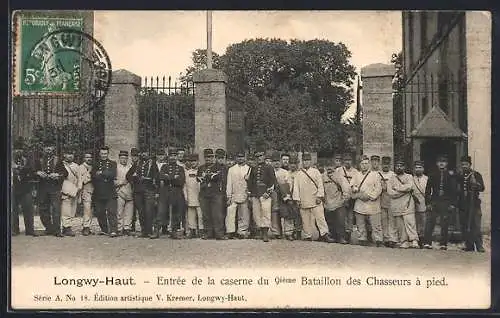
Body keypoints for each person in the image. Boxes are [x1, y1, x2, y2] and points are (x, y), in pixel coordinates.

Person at [293, 152, 335, 243]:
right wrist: (297, 199)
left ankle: (324, 234)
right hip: (303, 198)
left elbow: (320, 185)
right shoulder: (298, 173)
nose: (306, 162)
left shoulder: (315, 172)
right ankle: (308, 235)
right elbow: (296, 187)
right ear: (302, 162)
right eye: (304, 161)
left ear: (310, 161)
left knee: (320, 217)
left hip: (315, 198)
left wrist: (319, 196)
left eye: (308, 161)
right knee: (305, 218)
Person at [423, 154, 457, 250]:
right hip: (434, 201)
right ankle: (427, 242)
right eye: (439, 162)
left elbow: (454, 191)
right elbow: (428, 190)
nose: (441, 163)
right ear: (437, 163)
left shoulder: (451, 175)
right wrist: (428, 203)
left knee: (444, 222)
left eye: (444, 162)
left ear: (446, 163)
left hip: (446, 202)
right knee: (430, 222)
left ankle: (443, 244)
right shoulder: (432, 174)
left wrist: (452, 204)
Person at [34, 141, 68, 237]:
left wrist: (57, 175)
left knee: (56, 209)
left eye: (50, 146)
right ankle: (49, 228)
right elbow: (32, 172)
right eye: (46, 147)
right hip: (42, 187)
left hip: (55, 188)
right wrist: (38, 172)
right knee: (43, 209)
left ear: (53, 148)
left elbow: (65, 173)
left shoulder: (58, 160)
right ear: (43, 149)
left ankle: (57, 231)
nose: (48, 149)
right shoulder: (39, 160)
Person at [153, 149, 186, 239]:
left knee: (176, 212)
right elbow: (161, 177)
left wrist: (168, 177)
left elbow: (181, 181)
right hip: (165, 191)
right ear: (169, 156)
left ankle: (174, 231)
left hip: (176, 192)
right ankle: (156, 231)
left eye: (174, 156)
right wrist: (173, 177)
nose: (173, 157)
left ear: (177, 157)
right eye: (171, 156)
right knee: (161, 211)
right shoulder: (164, 167)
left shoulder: (180, 168)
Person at [126, 148, 159, 238]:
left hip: (149, 190)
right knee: (140, 211)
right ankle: (143, 231)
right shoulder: (137, 164)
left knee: (149, 211)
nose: (144, 154)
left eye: (146, 153)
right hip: (138, 191)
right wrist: (134, 179)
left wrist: (156, 190)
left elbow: (157, 178)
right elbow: (128, 176)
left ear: (149, 153)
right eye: (143, 153)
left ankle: (149, 231)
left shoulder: (153, 164)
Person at [351, 155, 383, 247]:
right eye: (362, 164)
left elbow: (378, 188)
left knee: (376, 224)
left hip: (372, 202)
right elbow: (353, 185)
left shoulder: (375, 175)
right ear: (359, 165)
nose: (364, 165)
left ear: (369, 164)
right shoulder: (356, 174)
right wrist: (356, 190)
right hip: (360, 202)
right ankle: (362, 239)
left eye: (366, 163)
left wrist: (370, 196)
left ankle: (378, 240)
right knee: (360, 223)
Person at [387, 159, 419, 249]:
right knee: (400, 225)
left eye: (401, 166)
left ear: (404, 167)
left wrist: (397, 188)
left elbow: (410, 187)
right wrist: (403, 191)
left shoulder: (409, 177)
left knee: (410, 222)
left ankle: (414, 241)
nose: (399, 167)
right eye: (397, 166)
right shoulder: (391, 178)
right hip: (396, 205)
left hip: (408, 203)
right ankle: (404, 241)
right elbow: (390, 192)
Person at [457, 155, 485, 252]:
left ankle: (479, 246)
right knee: (465, 225)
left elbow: (482, 188)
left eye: (466, 164)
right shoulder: (459, 176)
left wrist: (476, 184)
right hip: (463, 204)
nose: (464, 166)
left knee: (475, 226)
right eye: (462, 164)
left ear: (470, 165)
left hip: (474, 204)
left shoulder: (476, 175)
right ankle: (469, 245)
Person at [247, 150, 276, 242]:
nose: (259, 158)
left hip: (265, 194)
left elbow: (273, 181)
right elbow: (251, 182)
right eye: (257, 157)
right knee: (256, 213)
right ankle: (260, 230)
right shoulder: (253, 168)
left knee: (266, 212)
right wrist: (250, 193)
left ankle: (265, 233)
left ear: (264, 157)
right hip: (255, 194)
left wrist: (269, 192)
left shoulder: (269, 167)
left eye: (261, 156)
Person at [197, 149, 226, 240]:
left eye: (210, 157)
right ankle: (208, 233)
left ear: (213, 157)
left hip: (216, 193)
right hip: (204, 193)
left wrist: (208, 176)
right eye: (206, 157)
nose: (208, 159)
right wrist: (210, 176)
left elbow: (219, 177)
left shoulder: (219, 167)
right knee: (206, 214)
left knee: (217, 214)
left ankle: (219, 233)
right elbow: (199, 178)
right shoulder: (201, 168)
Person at [12, 139, 37, 236]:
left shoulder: (27, 159)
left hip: (26, 187)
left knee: (28, 209)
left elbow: (32, 171)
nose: (18, 151)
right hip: (13, 187)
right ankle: (14, 230)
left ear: (24, 150)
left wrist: (21, 169)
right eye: (16, 149)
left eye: (21, 149)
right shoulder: (9, 159)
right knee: (13, 210)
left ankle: (30, 230)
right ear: (13, 150)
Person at [92, 146, 118, 237]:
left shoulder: (112, 163)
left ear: (108, 154)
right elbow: (93, 176)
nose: (103, 155)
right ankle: (104, 229)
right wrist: (105, 174)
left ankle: (114, 230)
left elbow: (113, 174)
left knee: (112, 211)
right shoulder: (96, 164)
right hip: (99, 191)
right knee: (100, 212)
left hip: (110, 191)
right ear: (99, 154)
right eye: (102, 153)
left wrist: (101, 173)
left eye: (105, 154)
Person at [225, 152, 251, 239]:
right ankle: (230, 231)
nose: (240, 159)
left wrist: (249, 194)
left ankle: (242, 232)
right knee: (230, 213)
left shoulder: (249, 168)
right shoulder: (232, 169)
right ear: (236, 158)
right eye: (238, 157)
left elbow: (250, 183)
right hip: (233, 194)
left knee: (244, 214)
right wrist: (228, 196)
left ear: (245, 158)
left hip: (244, 194)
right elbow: (229, 183)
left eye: (242, 157)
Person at [323, 162, 350, 244]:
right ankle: (332, 237)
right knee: (329, 221)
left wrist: (343, 200)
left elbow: (346, 189)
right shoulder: (322, 176)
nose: (329, 168)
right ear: (325, 167)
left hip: (338, 203)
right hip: (327, 203)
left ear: (334, 166)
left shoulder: (339, 176)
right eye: (327, 166)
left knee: (340, 222)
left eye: (331, 166)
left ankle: (341, 237)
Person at [60, 148, 81, 237]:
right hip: (65, 189)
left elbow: (80, 178)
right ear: (64, 155)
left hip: (74, 189)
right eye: (68, 154)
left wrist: (79, 188)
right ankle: (66, 227)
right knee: (66, 209)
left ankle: (69, 226)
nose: (70, 156)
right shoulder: (61, 165)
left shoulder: (76, 166)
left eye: (72, 154)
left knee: (73, 209)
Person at [340, 153, 359, 243]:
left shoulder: (355, 172)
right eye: (346, 160)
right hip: (342, 196)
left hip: (351, 197)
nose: (348, 162)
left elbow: (357, 183)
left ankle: (349, 233)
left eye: (349, 160)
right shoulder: (339, 170)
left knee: (350, 216)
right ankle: (342, 234)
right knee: (342, 216)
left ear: (352, 162)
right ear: (343, 162)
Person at [378, 156, 397, 248]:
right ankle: (385, 238)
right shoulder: (378, 174)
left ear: (390, 165)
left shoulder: (393, 175)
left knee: (392, 221)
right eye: (384, 164)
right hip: (381, 200)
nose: (385, 166)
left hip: (391, 200)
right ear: (381, 165)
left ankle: (392, 239)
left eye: (387, 164)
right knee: (383, 220)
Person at [281, 156, 301, 240]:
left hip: (299, 196)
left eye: (294, 164)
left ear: (297, 164)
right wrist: (287, 196)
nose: (293, 165)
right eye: (291, 164)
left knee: (299, 214)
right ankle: (289, 233)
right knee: (288, 214)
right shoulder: (286, 173)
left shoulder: (300, 173)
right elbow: (284, 185)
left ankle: (298, 231)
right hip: (289, 196)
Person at [184, 153, 203, 238]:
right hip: (190, 195)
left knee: (200, 214)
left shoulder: (201, 171)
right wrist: (186, 196)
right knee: (191, 214)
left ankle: (201, 230)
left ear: (198, 162)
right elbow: (184, 185)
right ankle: (192, 230)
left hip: (199, 196)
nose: (193, 163)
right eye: (191, 161)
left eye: (194, 161)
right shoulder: (187, 172)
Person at [115, 150, 134, 236]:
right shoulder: (116, 168)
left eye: (125, 158)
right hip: (120, 191)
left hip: (130, 191)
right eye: (122, 158)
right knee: (119, 211)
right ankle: (119, 228)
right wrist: (121, 182)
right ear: (119, 158)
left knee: (129, 212)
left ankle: (127, 228)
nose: (124, 160)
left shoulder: (131, 167)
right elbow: (113, 180)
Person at [412, 160, 428, 247]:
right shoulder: (411, 179)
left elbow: (430, 192)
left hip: (424, 202)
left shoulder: (426, 179)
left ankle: (423, 239)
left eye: (420, 167)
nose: (418, 169)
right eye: (416, 168)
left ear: (423, 169)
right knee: (414, 222)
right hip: (413, 203)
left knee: (424, 222)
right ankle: (415, 239)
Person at [270, 151, 285, 239]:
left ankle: (287, 232)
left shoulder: (284, 172)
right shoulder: (269, 171)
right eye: (274, 161)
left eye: (278, 161)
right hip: (273, 194)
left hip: (283, 194)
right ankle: (276, 232)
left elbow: (288, 183)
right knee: (274, 212)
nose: (276, 163)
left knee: (284, 212)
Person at [129, 147, 140, 233]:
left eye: (136, 156)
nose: (134, 158)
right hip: (129, 188)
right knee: (131, 209)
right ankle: (131, 225)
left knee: (139, 207)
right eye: (133, 156)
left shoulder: (139, 165)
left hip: (137, 188)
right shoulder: (129, 164)